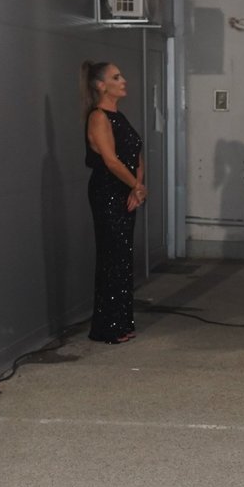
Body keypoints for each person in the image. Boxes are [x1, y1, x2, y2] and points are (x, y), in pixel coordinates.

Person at [81, 60, 147, 344]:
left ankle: (121, 322)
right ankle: (107, 327)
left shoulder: (119, 117)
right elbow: (111, 161)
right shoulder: (98, 117)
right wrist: (135, 186)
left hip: (126, 190)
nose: (123, 81)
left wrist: (137, 187)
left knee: (123, 256)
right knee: (112, 256)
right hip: (108, 191)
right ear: (101, 85)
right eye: (116, 77)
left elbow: (135, 154)